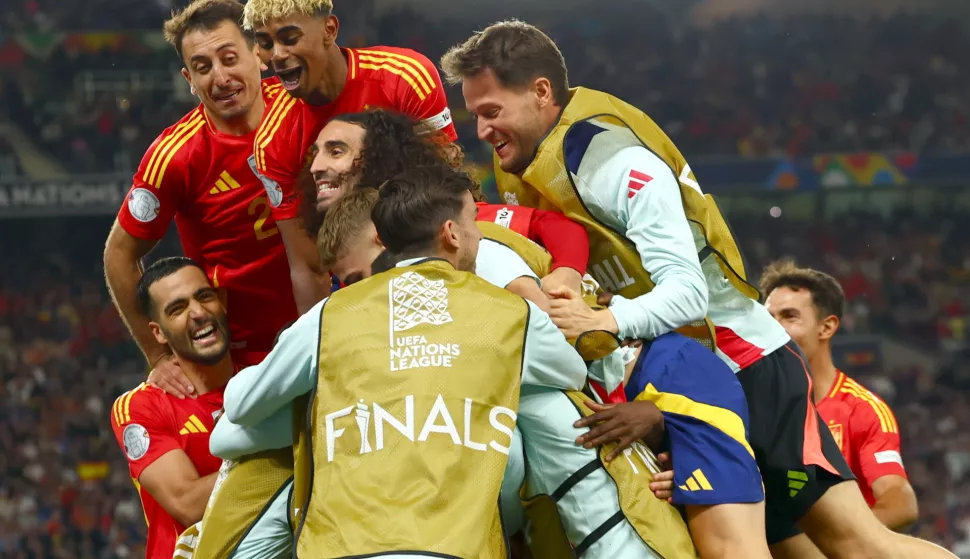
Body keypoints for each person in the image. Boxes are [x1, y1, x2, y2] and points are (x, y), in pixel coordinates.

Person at [440, 20, 958, 559]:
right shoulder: (534, 169)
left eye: (491, 112)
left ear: (541, 92)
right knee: (791, 553)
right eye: (474, 114)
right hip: (686, 378)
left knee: (855, 544)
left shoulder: (615, 162)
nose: (481, 130)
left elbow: (688, 293)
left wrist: (607, 322)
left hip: (743, 361)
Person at [219, 164, 598, 558]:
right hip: (457, 548)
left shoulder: (329, 315)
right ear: (452, 233)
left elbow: (242, 407)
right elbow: (571, 372)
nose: (480, 234)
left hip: (344, 549)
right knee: (544, 409)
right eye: (473, 222)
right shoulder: (509, 313)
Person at [103, 0, 299, 399]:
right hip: (246, 359)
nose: (221, 77)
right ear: (189, 79)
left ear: (258, 55)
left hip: (328, 324)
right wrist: (159, 356)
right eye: (203, 67)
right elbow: (118, 256)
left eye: (229, 59)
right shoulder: (174, 156)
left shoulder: (304, 108)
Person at [242, 0, 458, 308]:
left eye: (290, 39)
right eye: (265, 44)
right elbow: (308, 265)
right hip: (355, 285)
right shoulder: (272, 139)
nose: (277, 55)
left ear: (329, 30)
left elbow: (453, 192)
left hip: (432, 252)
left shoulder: (406, 76)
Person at [300, 109, 590, 293]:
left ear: (379, 158)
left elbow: (554, 225)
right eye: (316, 154)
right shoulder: (347, 255)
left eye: (336, 152)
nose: (316, 167)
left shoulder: (446, 217)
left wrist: (566, 275)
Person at [762, 261, 919, 555]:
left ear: (827, 326)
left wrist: (835, 541)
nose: (772, 328)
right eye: (767, 317)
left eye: (788, 316)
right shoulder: (748, 403)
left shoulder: (862, 409)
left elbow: (900, 502)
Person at [109, 257, 233, 558]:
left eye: (204, 296)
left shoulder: (264, 380)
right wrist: (282, 456)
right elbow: (188, 504)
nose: (198, 313)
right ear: (159, 333)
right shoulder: (140, 406)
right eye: (177, 309)